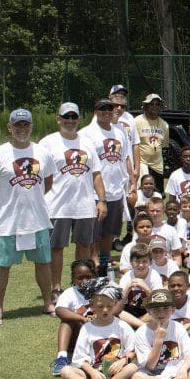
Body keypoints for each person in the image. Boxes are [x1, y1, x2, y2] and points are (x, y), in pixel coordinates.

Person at [0, 108, 58, 325]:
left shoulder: (42, 152)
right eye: (17, 125)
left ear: (31, 126)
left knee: (43, 262)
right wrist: (2, 203)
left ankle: (48, 303)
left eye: (26, 125)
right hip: (9, 222)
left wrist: (34, 201)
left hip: (38, 220)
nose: (22, 129)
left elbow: (48, 182)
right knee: (2, 265)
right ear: (9, 128)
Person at [39, 102, 108, 299]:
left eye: (73, 117)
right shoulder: (47, 143)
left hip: (84, 205)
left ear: (79, 119)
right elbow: (41, 176)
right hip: (56, 205)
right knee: (56, 248)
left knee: (84, 245)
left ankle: (82, 285)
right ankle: (56, 288)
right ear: (58, 119)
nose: (70, 121)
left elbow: (96, 174)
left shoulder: (87, 143)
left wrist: (101, 200)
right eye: (66, 117)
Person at [57, 282, 137, 379]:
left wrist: (123, 361)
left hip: (116, 372)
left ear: (115, 304)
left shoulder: (122, 326)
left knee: (132, 367)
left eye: (109, 306)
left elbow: (133, 351)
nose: (105, 310)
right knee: (65, 371)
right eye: (100, 306)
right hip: (93, 372)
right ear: (92, 306)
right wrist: (92, 372)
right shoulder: (87, 328)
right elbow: (79, 358)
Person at [80, 98, 132, 277]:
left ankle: (104, 261)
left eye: (109, 109)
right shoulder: (87, 133)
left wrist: (130, 180)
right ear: (95, 112)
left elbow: (125, 157)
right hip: (96, 191)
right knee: (95, 232)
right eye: (102, 109)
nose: (106, 112)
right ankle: (93, 263)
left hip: (116, 190)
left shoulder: (120, 132)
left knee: (111, 231)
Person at [132, 288, 190, 379]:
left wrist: (183, 369)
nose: (161, 313)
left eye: (166, 308)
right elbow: (150, 366)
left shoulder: (177, 327)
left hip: (177, 368)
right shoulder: (141, 332)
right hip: (154, 374)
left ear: (173, 309)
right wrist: (158, 340)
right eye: (156, 309)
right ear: (148, 310)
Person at [134, 93, 169, 192]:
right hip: (142, 164)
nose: (155, 106)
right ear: (146, 106)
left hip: (157, 165)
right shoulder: (137, 121)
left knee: (157, 194)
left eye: (157, 104)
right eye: (151, 104)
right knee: (142, 194)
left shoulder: (164, 125)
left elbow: (164, 146)